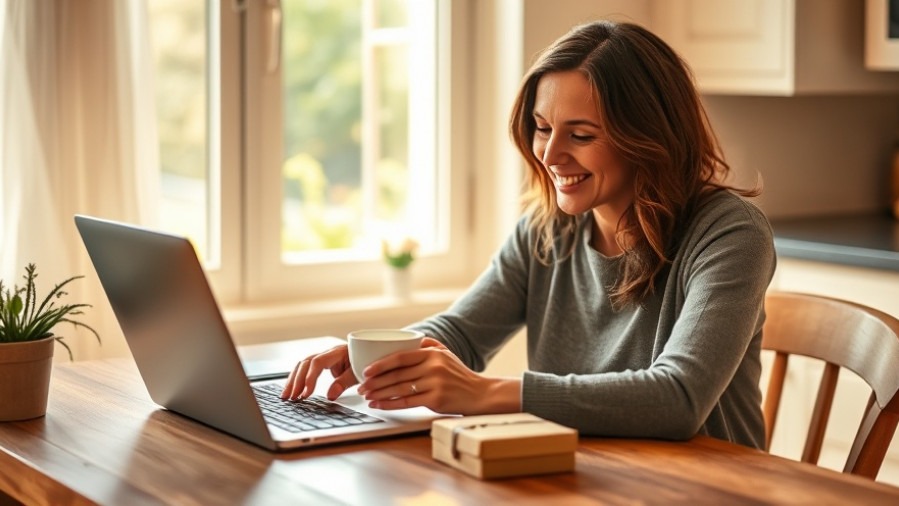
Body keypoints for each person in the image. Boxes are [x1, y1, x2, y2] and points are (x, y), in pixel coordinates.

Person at [281, 20, 775, 449]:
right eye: (542, 128)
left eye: (581, 135)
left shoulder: (729, 233)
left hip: (704, 486)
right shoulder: (546, 229)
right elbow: (461, 334)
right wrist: (385, 355)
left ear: (651, 138)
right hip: (584, 473)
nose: (551, 154)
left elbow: (679, 398)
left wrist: (487, 393)